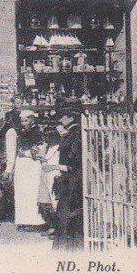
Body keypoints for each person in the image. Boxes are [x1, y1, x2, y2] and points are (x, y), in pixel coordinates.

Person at [4, 109, 46, 228]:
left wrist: (29, 153)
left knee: (33, 191)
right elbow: (13, 151)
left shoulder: (39, 131)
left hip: (34, 164)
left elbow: (40, 147)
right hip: (21, 164)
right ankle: (23, 220)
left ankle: (36, 221)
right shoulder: (15, 132)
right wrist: (9, 169)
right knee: (22, 191)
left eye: (26, 120)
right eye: (22, 120)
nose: (24, 123)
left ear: (32, 120)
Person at [51, 106, 84, 250]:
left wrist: (55, 167)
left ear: (71, 118)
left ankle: (68, 247)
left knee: (68, 214)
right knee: (66, 214)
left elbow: (74, 164)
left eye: (63, 116)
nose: (60, 119)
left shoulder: (75, 135)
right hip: (69, 179)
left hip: (73, 180)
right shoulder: (71, 133)